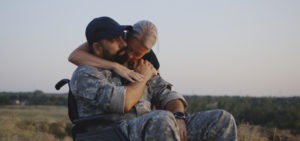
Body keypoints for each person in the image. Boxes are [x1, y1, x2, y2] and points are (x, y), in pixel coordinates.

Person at [70, 16, 238, 141]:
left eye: (122, 37)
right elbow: (123, 102)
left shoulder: (139, 64)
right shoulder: (86, 73)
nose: (123, 44)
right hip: (113, 133)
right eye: (115, 40)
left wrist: (178, 116)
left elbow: (167, 93)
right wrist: (143, 78)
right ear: (97, 48)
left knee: (221, 119)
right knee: (161, 119)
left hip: (151, 128)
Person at [68, 20, 160, 83]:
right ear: (127, 35)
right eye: (129, 48)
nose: (130, 55)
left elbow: (157, 81)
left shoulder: (149, 57)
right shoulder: (114, 41)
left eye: (138, 54)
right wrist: (115, 66)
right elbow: (74, 56)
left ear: (146, 52)